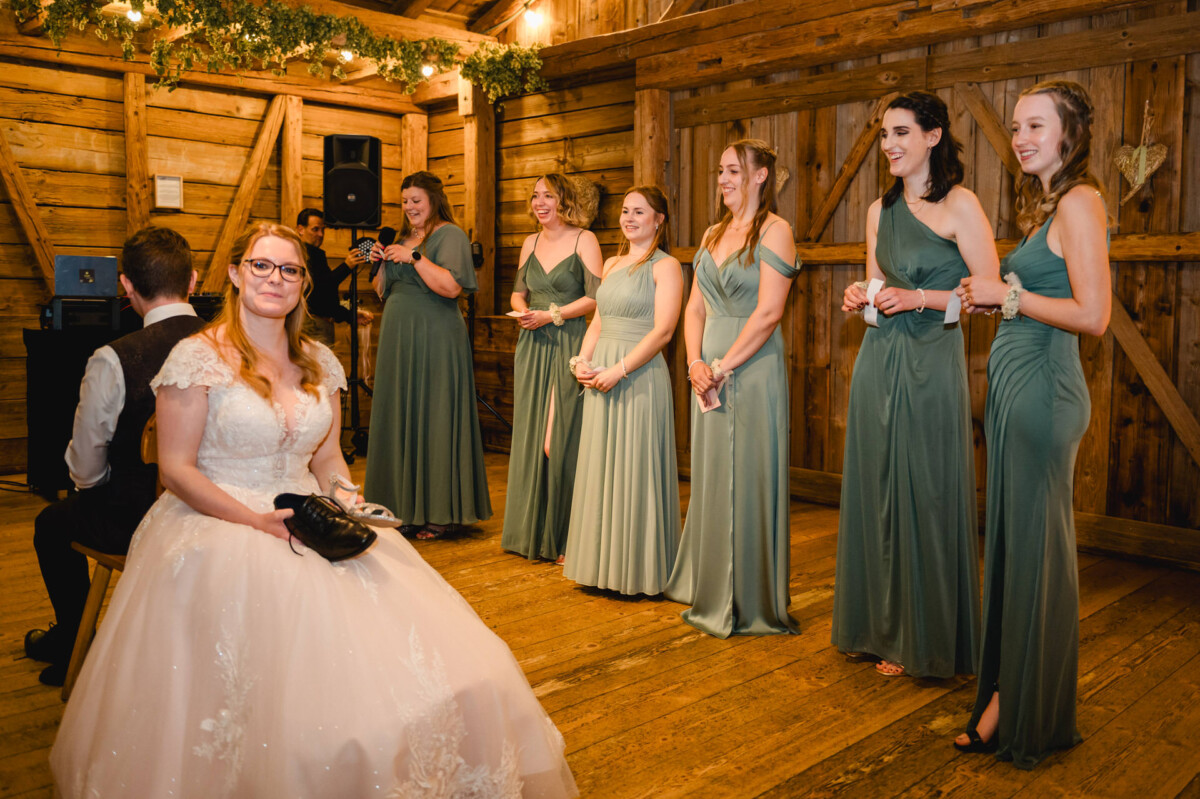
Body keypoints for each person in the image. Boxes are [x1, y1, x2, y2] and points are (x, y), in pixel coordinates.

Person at [49, 222, 577, 797]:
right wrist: (255, 522)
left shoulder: (320, 361)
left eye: (290, 269)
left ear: (303, 283)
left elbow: (326, 459)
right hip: (220, 520)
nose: (275, 278)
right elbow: (175, 470)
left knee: (458, 666)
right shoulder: (196, 357)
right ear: (234, 273)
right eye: (262, 265)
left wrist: (350, 499)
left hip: (308, 514)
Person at [953, 80, 1110, 768]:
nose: (1020, 137)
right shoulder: (1051, 204)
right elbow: (1043, 297)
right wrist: (999, 302)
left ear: (1069, 134)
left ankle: (1017, 703)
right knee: (1018, 549)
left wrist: (1007, 292)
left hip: (1047, 392)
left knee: (1039, 554)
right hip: (1020, 388)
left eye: (1035, 126)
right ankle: (1009, 690)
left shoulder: (1082, 201)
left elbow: (1093, 316)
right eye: (1016, 126)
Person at [831, 91, 996, 678]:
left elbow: (988, 295)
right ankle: (876, 625)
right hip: (879, 358)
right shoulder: (880, 211)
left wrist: (921, 297)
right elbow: (880, 290)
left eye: (901, 132)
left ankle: (921, 634)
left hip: (932, 361)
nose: (889, 145)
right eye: (883, 135)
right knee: (877, 487)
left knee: (924, 489)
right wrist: (864, 296)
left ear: (933, 137)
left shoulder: (961, 206)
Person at [25, 226, 205, 687]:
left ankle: (72, 642)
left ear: (126, 286)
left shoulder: (114, 358)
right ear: (193, 280)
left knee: (52, 523)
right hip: (216, 513)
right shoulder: (229, 347)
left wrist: (96, 486)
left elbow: (85, 467)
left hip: (140, 519)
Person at [664, 139, 801, 638]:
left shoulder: (775, 230)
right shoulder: (712, 232)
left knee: (748, 473)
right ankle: (708, 581)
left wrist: (723, 366)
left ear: (761, 175)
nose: (722, 179)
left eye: (733, 171)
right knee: (712, 471)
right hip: (709, 369)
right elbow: (695, 307)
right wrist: (695, 361)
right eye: (719, 171)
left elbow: (769, 312)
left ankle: (748, 596)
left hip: (752, 366)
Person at [563, 186, 683, 595]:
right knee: (601, 466)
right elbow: (598, 321)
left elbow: (664, 331)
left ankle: (635, 571)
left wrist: (620, 369)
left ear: (658, 220)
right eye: (626, 211)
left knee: (634, 466)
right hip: (600, 372)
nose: (629, 218)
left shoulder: (666, 266)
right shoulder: (612, 262)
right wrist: (580, 360)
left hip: (638, 373)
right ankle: (599, 567)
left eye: (639, 212)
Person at [366, 171, 492, 539]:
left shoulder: (449, 235)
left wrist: (415, 256)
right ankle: (401, 506)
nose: (409, 208)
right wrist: (380, 262)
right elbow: (380, 291)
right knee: (400, 412)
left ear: (434, 200)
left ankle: (439, 511)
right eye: (405, 201)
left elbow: (451, 287)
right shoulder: (402, 238)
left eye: (416, 201)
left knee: (434, 413)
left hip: (436, 337)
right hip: (398, 337)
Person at [501, 174, 603, 563]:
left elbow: (596, 299)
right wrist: (524, 310)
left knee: (558, 438)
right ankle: (530, 532)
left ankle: (565, 536)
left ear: (565, 201)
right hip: (532, 344)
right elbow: (517, 289)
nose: (539, 202)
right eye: (535, 196)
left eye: (549, 196)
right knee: (530, 436)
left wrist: (553, 314)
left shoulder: (584, 240)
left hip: (569, 342)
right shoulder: (530, 242)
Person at [295, 207, 373, 345]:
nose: (320, 234)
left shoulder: (315, 254)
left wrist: (351, 316)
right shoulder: (302, 254)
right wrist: (346, 266)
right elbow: (318, 289)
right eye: (315, 229)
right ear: (300, 229)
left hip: (320, 324)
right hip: (313, 325)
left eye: (323, 230)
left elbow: (326, 299)